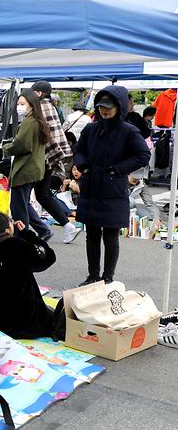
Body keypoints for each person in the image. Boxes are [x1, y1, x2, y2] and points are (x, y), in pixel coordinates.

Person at [74, 86, 150, 285]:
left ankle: (108, 278)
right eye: (101, 106)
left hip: (112, 189)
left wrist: (118, 169)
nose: (104, 110)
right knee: (91, 235)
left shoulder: (129, 131)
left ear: (120, 106)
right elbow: (79, 150)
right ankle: (93, 275)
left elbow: (143, 155)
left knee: (110, 236)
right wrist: (82, 165)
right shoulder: (91, 128)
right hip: (90, 188)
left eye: (109, 106)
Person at [0, 211, 58, 339]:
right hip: (20, 320)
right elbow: (48, 257)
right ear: (7, 231)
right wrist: (27, 234)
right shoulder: (15, 245)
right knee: (56, 317)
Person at [31, 80, 80, 244]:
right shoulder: (52, 107)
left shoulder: (40, 107)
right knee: (43, 196)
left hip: (40, 159)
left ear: (38, 93)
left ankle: (39, 230)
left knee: (22, 198)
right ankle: (68, 226)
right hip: (51, 160)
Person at [3, 88, 50, 237]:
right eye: (18, 104)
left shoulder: (29, 122)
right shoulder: (38, 121)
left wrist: (6, 148)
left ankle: (22, 237)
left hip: (25, 169)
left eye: (22, 104)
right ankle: (43, 230)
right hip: (33, 168)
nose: (19, 107)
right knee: (23, 204)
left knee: (18, 207)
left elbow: (22, 144)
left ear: (31, 104)